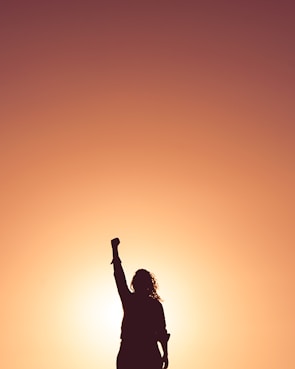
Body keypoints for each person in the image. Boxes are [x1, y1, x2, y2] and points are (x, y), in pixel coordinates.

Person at [111, 237, 170, 369]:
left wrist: (114, 251)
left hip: (137, 352)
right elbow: (162, 333)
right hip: (138, 352)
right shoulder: (152, 304)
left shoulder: (132, 300)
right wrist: (165, 354)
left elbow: (161, 332)